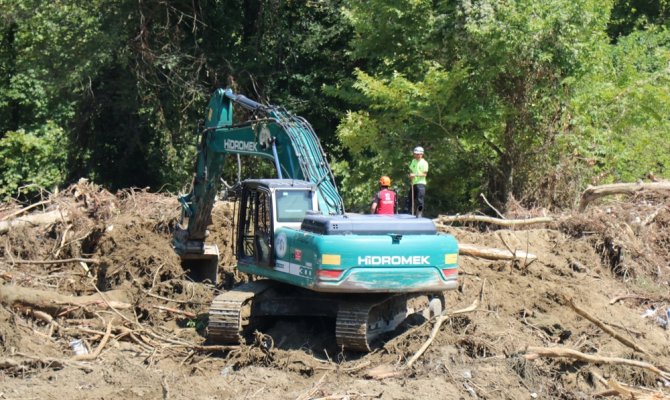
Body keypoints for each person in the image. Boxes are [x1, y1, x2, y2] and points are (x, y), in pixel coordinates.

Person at [407, 146, 428, 217]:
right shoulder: (413, 161)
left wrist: (415, 175)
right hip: (414, 183)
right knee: (410, 199)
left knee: (420, 200)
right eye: (415, 154)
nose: (416, 155)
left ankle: (419, 213)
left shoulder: (424, 163)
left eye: (418, 154)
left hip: (421, 184)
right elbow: (411, 171)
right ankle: (408, 213)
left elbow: (424, 174)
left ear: (421, 154)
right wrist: (410, 175)